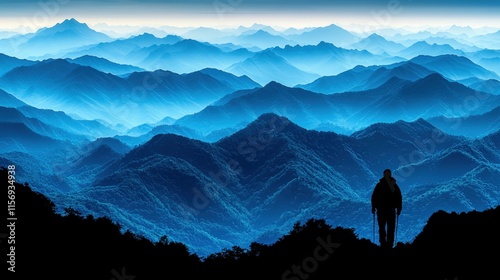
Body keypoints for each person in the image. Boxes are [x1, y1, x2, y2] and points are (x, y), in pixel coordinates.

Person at [371, 169, 402, 249]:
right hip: (391, 210)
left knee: (382, 228)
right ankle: (389, 245)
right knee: (390, 228)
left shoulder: (379, 185)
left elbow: (374, 197)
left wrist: (373, 207)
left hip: (381, 210)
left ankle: (383, 245)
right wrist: (399, 209)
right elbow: (399, 197)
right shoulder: (393, 185)